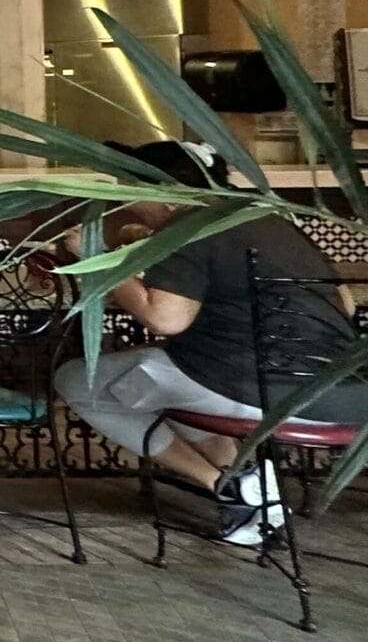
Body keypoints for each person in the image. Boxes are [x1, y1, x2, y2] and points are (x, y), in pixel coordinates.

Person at [51, 140, 365, 546]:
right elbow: (345, 301)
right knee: (152, 382)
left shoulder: (188, 229)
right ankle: (247, 485)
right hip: (342, 390)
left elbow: (165, 319)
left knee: (78, 380)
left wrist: (92, 258)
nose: (125, 205)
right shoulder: (269, 219)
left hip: (265, 393)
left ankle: (226, 485)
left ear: (165, 195)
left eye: (129, 192)